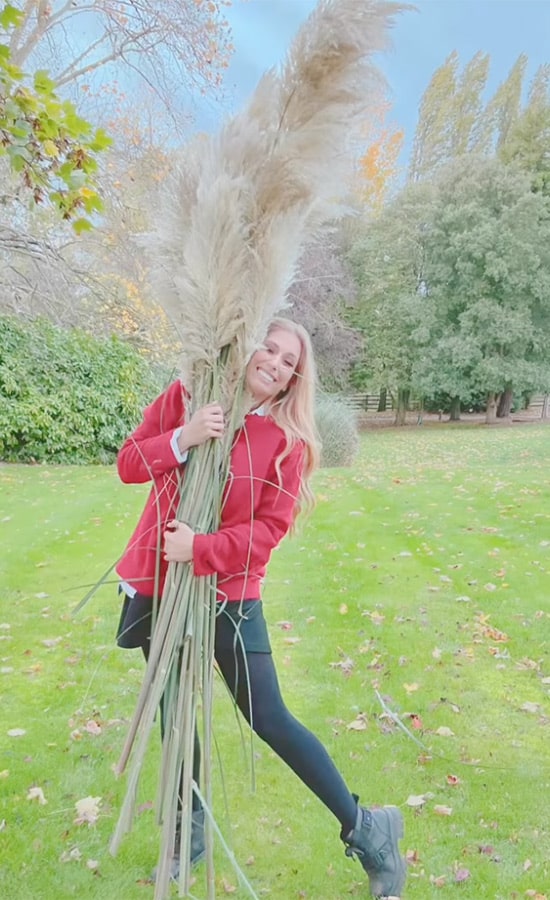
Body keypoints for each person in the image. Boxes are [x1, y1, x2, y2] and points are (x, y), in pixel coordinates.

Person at [115, 317, 406, 899]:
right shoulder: (188, 395)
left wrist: (199, 548)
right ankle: (189, 834)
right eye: (267, 348)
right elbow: (128, 464)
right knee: (176, 714)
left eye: (288, 361)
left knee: (268, 717)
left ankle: (369, 830)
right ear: (248, 348)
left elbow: (266, 534)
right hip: (161, 587)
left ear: (294, 378)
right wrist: (184, 437)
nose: (274, 362)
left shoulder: (285, 444)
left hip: (230, 598)